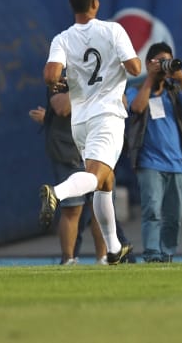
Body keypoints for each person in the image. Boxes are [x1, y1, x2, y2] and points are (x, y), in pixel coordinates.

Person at [39, 0, 141, 265]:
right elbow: (134, 67)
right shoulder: (112, 30)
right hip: (107, 114)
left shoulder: (62, 38)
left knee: (104, 183)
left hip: (80, 121)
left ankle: (112, 249)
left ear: (73, 6)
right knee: (96, 176)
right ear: (95, 2)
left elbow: (50, 75)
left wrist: (64, 78)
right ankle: (56, 193)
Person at [125, 42, 182, 263]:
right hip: (150, 162)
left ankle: (167, 253)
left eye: (167, 61)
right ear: (149, 63)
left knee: (174, 217)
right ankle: (152, 253)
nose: (165, 66)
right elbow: (136, 108)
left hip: (177, 163)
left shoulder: (174, 90)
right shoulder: (135, 89)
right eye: (160, 62)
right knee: (152, 211)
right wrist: (149, 78)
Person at [29, 87, 106, 265]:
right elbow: (63, 107)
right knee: (72, 209)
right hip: (68, 150)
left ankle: (104, 257)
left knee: (100, 206)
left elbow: (122, 102)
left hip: (99, 147)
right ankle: (68, 259)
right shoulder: (60, 71)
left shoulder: (104, 67)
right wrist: (88, 86)